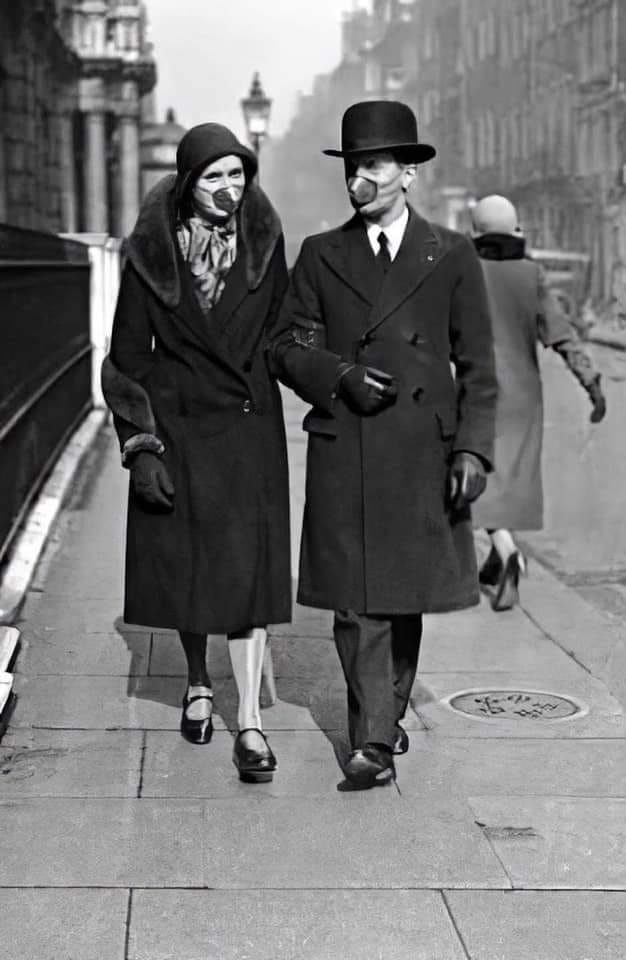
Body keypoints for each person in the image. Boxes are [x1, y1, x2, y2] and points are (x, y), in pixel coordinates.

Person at [269, 100, 497, 788]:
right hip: (348, 445)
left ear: (408, 174)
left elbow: (481, 365)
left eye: (373, 167)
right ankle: (371, 738)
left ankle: (386, 714)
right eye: (352, 168)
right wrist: (338, 375)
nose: (359, 182)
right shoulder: (319, 254)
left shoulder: (451, 254)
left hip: (422, 453)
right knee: (355, 601)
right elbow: (284, 346)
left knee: (401, 597)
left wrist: (473, 451)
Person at [102, 123, 291, 783]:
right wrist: (140, 444)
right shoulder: (151, 255)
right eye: (214, 177)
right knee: (189, 567)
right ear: (188, 184)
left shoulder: (267, 246)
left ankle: (249, 724)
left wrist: (335, 381)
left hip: (247, 429)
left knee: (245, 575)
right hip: (178, 431)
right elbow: (125, 361)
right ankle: (195, 679)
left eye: (238, 174)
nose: (229, 189)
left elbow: (284, 337)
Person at [470, 195, 607, 611]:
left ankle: (507, 552)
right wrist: (592, 383)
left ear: (474, 233)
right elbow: (562, 335)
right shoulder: (533, 275)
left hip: (475, 392)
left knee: (477, 480)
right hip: (524, 397)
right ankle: (497, 562)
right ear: (517, 231)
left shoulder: (464, 272)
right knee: (508, 481)